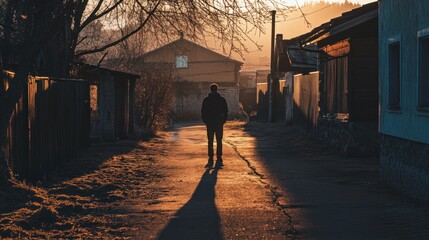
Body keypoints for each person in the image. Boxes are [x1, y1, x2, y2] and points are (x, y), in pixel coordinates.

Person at [201, 83, 228, 166]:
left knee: (210, 141)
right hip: (219, 123)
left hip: (210, 124)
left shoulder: (206, 100)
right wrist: (222, 121)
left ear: (210, 89)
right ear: (217, 89)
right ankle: (219, 158)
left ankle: (210, 159)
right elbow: (225, 112)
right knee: (219, 141)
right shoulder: (222, 99)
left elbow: (203, 112)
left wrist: (206, 122)